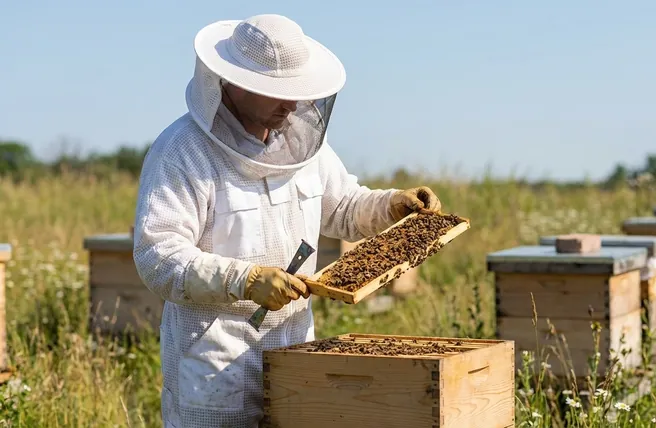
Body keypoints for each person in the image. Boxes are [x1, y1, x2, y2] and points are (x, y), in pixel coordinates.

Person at [132, 13, 442, 428]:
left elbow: (343, 206)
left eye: (297, 91)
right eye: (277, 93)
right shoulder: (183, 152)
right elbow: (158, 255)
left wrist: (391, 205)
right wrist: (243, 279)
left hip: (296, 353)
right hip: (214, 366)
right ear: (236, 83)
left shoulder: (300, 142)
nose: (292, 105)